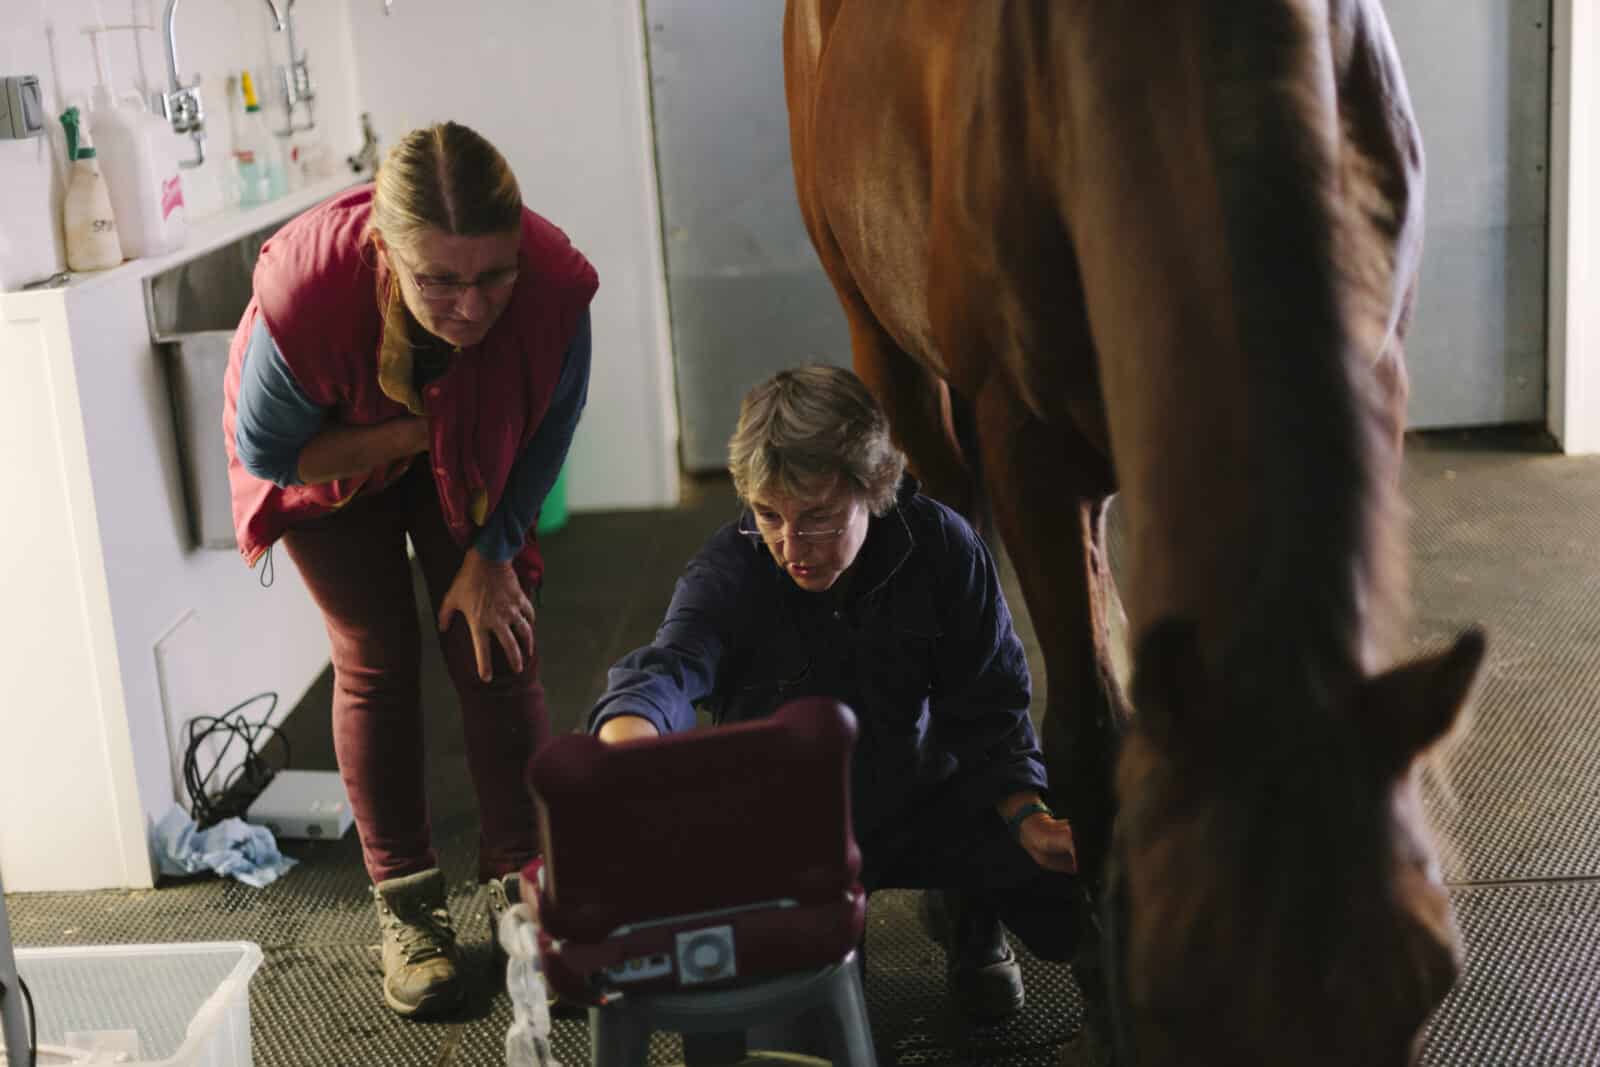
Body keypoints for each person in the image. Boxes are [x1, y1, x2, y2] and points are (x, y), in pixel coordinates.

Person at [221, 121, 596, 1018]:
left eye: (491, 275)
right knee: (377, 656)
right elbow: (271, 451)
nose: (470, 306)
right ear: (387, 251)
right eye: (439, 280)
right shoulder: (307, 291)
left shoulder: (552, 287)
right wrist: (416, 432)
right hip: (330, 454)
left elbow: (553, 423)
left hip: (458, 444)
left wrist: (494, 550)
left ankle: (531, 892)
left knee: (498, 643)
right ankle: (410, 907)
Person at [575, 364, 1082, 1021]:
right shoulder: (728, 569)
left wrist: (1027, 817)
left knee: (1073, 904)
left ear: (872, 488)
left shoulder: (946, 549)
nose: (791, 545)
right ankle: (832, 937)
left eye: (816, 517)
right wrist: (628, 738)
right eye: (769, 514)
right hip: (795, 821)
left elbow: (991, 703)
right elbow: (671, 664)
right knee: (822, 1024)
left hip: (925, 788)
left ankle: (969, 917)